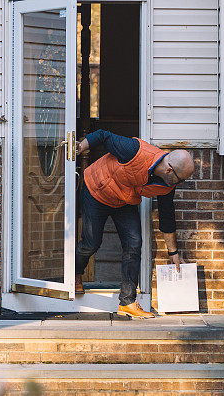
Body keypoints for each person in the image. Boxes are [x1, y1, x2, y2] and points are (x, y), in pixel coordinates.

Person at [75, 129, 195, 319]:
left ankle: (127, 302)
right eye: (182, 179)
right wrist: (80, 147)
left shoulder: (168, 184)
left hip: (123, 200)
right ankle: (75, 273)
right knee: (91, 243)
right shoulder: (134, 150)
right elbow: (103, 135)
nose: (182, 183)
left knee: (133, 244)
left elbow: (166, 216)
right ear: (170, 170)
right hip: (97, 189)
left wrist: (173, 253)